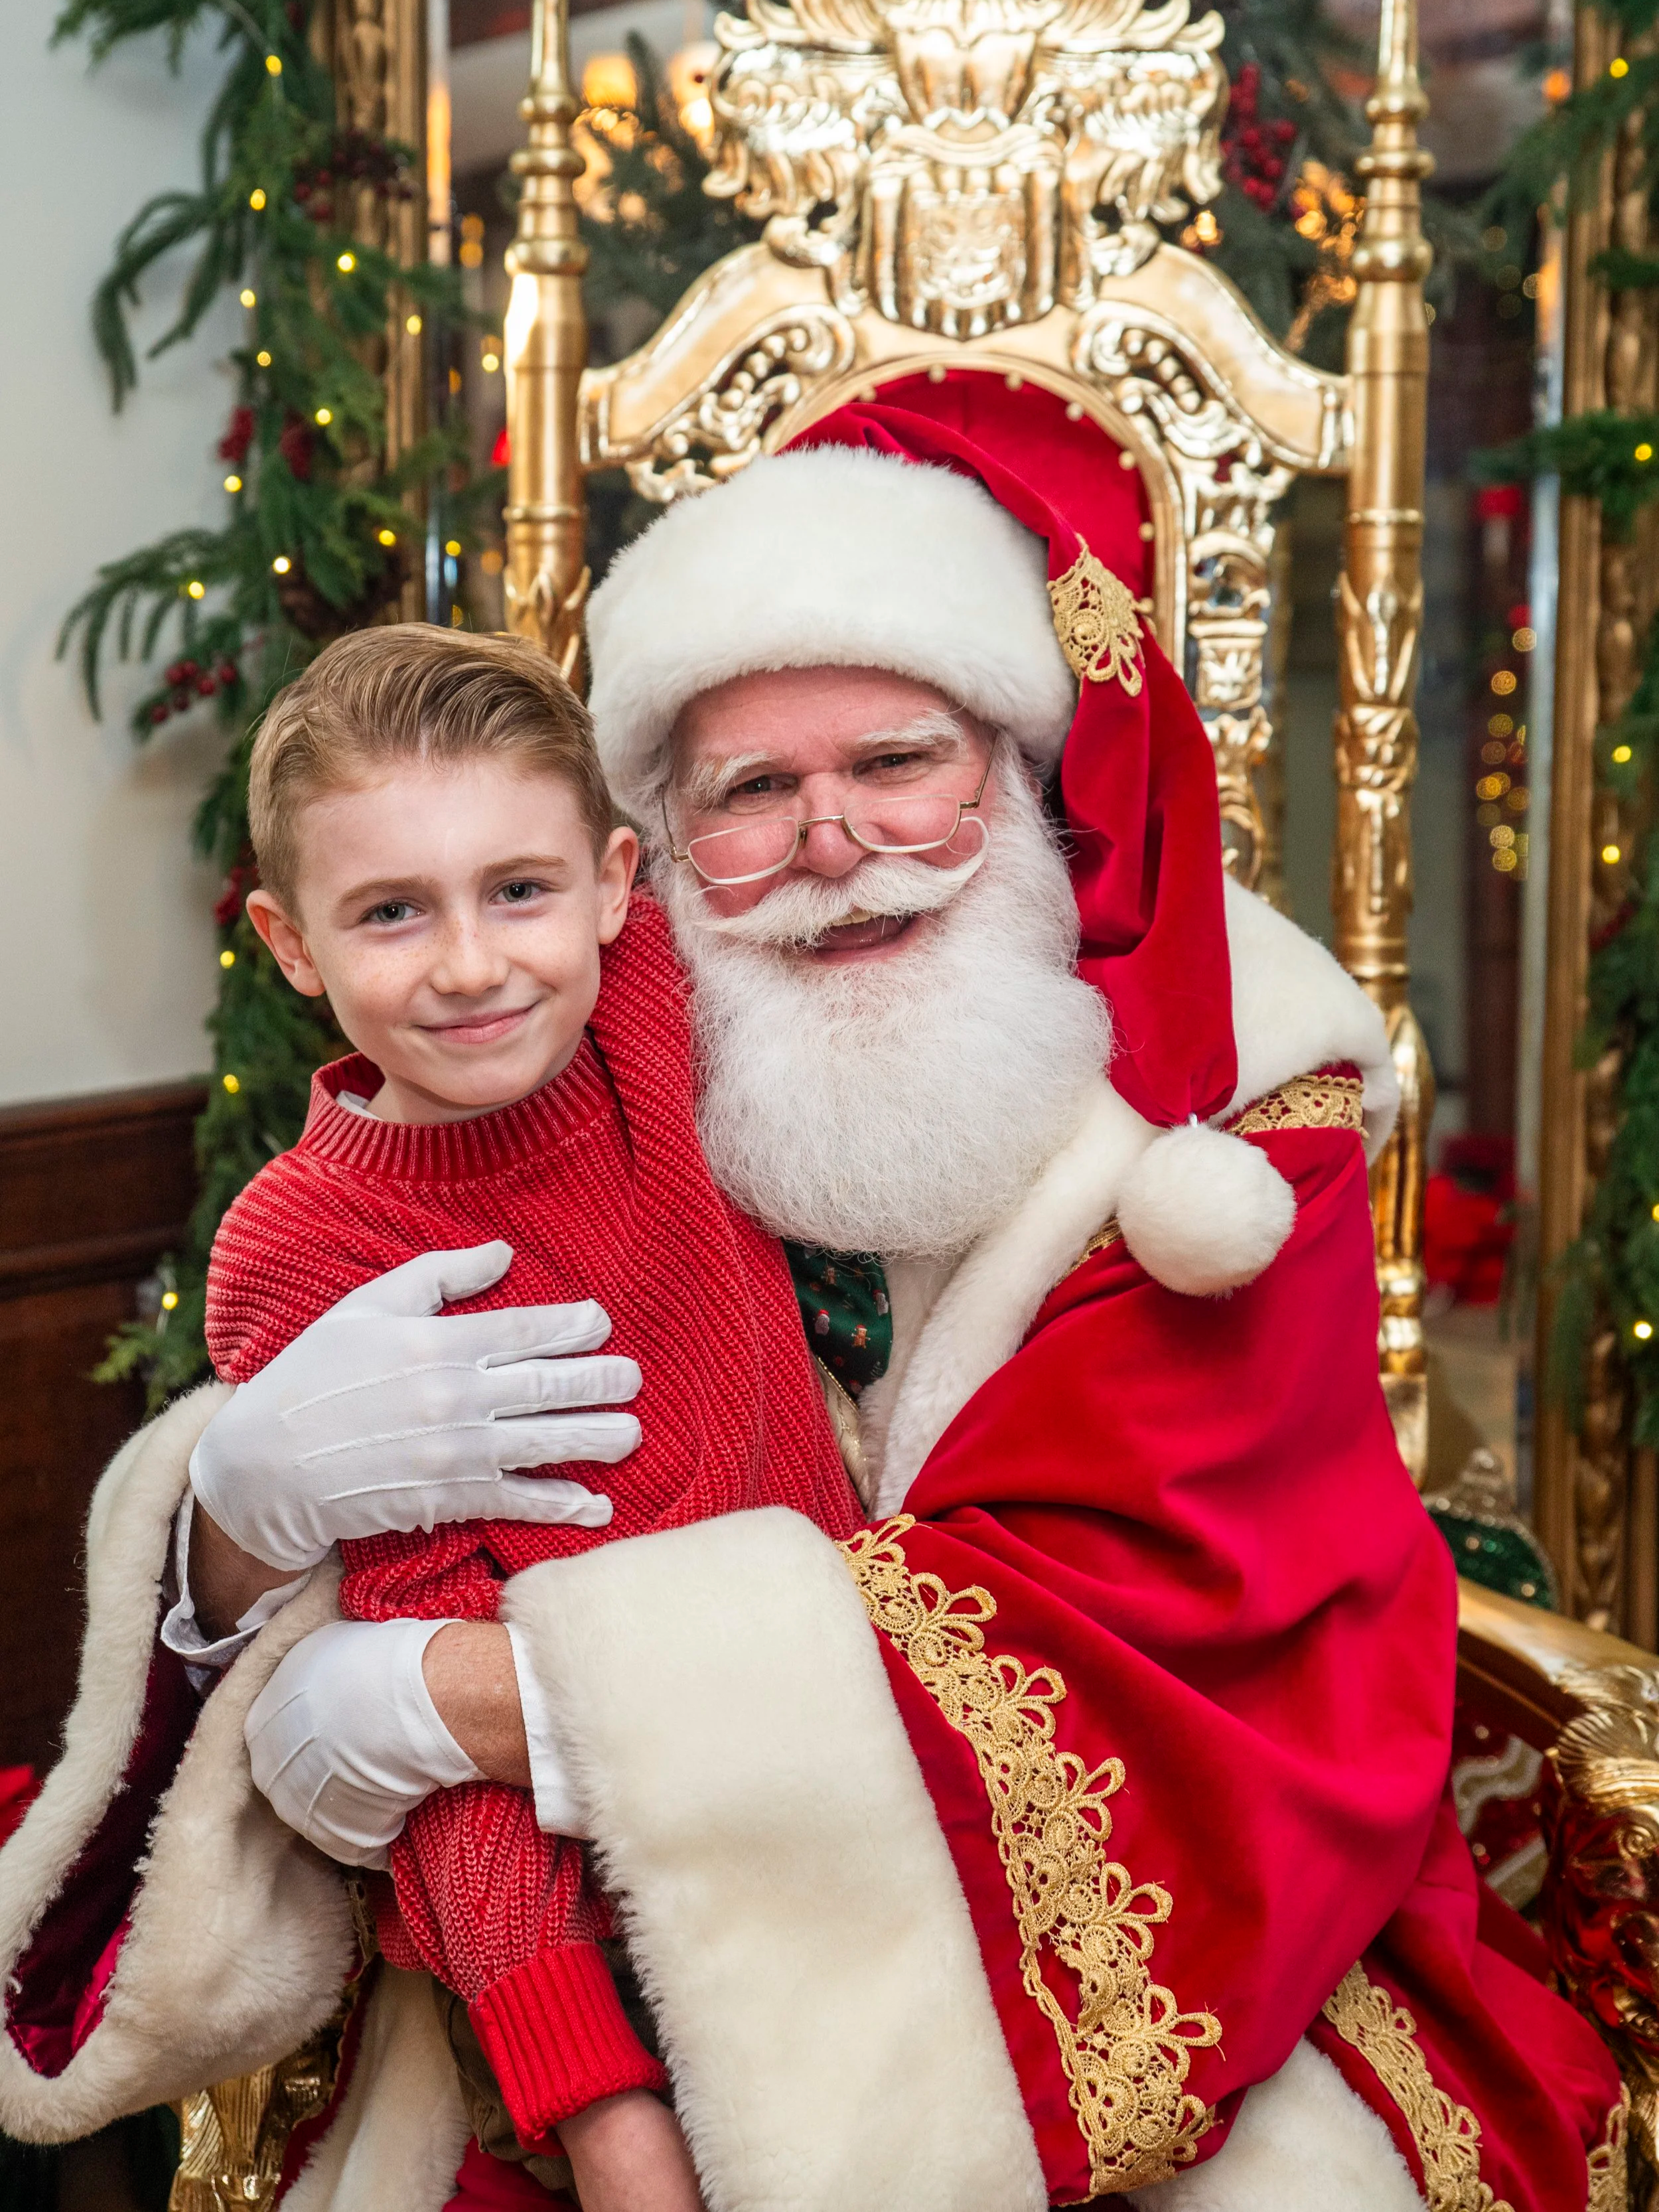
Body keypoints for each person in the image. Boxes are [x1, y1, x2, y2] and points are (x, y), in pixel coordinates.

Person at [0, 375, 1626, 2212]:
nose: (832, 844)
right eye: (752, 790)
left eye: (896, 762)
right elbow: (394, 1406)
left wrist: (455, 1693)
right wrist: (229, 1537)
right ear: (655, 852)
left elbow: (1122, 1634)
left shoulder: (1244, 1130)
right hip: (576, 1922)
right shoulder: (612, 1026)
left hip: (1169, 1937)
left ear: (1025, 771)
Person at [210, 625, 860, 2205]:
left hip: (876, 1777)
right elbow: (438, 1730)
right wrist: (598, 2105)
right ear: (288, 945)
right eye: (387, 911)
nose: (472, 963)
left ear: (616, 883)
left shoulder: (642, 1021)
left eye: (518, 888)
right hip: (631, 1921)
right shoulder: (307, 1246)